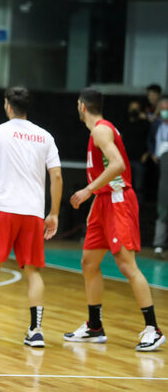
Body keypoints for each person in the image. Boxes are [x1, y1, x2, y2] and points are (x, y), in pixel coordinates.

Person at [64, 87, 165, 351]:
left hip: (119, 200)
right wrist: (95, 201)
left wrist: (88, 190)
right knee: (89, 262)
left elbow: (119, 164)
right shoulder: (98, 130)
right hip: (104, 201)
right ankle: (94, 326)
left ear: (82, 106)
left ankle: (153, 329)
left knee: (126, 264)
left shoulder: (100, 129)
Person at [0, 86, 62, 348]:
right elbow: (56, 176)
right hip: (33, 212)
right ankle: (36, 331)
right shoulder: (45, 136)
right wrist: (54, 213)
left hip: (4, 208)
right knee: (33, 271)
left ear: (7, 105)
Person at [152, 97, 168, 256]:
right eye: (162, 108)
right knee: (163, 207)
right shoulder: (156, 124)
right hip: (162, 170)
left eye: (167, 108)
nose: (164, 111)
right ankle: (159, 244)